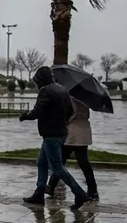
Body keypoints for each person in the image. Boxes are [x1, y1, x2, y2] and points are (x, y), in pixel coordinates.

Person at [19, 66, 90, 211]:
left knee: (57, 167)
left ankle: (79, 193)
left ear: (41, 80)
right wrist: (60, 120)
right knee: (42, 163)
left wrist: (25, 115)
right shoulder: (62, 89)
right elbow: (70, 110)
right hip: (60, 132)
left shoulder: (45, 91)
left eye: (37, 81)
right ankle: (39, 193)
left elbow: (37, 111)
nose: (37, 84)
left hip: (51, 134)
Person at [47, 96, 98, 201]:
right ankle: (93, 190)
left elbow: (69, 115)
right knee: (83, 162)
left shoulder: (70, 98)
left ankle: (51, 186)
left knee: (60, 161)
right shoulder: (85, 99)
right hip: (83, 131)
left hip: (72, 133)